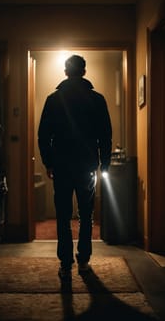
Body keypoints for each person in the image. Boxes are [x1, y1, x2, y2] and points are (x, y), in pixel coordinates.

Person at [38, 54, 112, 279]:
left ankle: (65, 263)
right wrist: (104, 164)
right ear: (84, 71)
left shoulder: (53, 99)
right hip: (87, 165)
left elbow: (43, 135)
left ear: (65, 71)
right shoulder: (97, 99)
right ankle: (83, 261)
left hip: (61, 165)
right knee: (86, 214)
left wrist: (48, 162)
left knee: (62, 215)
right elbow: (105, 136)